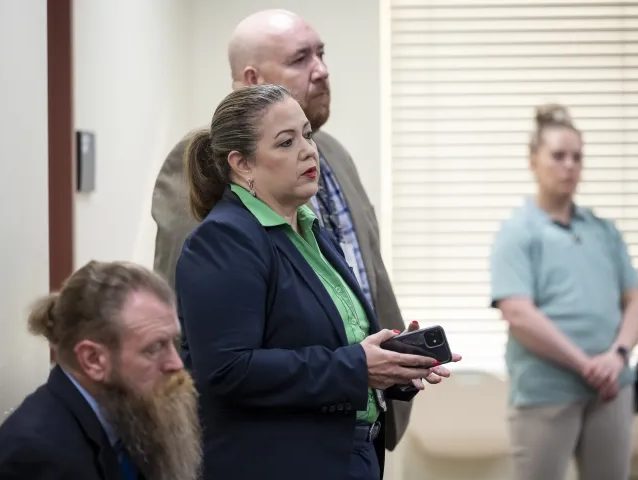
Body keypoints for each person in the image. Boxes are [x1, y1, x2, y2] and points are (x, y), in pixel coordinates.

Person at [151, 9, 415, 450]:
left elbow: (363, 275)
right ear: (252, 79)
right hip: (270, 438)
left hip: (354, 420)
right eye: (301, 59)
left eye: (322, 54)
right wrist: (352, 368)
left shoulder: (333, 156)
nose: (322, 71)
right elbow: (202, 334)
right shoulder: (200, 167)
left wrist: (387, 359)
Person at [175, 83, 460, 480]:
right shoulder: (225, 239)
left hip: (348, 454)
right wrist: (358, 366)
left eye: (307, 134)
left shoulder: (310, 230)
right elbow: (227, 370)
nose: (309, 150)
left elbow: (327, 345)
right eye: (286, 142)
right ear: (242, 164)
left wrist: (390, 364)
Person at [489, 104, 638, 480]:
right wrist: (585, 364)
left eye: (577, 157)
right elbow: (518, 313)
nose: (570, 165)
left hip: (612, 389)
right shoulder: (518, 232)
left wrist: (617, 356)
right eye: (558, 155)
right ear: (533, 161)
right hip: (546, 392)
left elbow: (635, 299)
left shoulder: (603, 230)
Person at [0, 260, 202, 480]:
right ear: (93, 359)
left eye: (173, 342)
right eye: (154, 348)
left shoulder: (132, 414)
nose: (176, 364)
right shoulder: (37, 459)